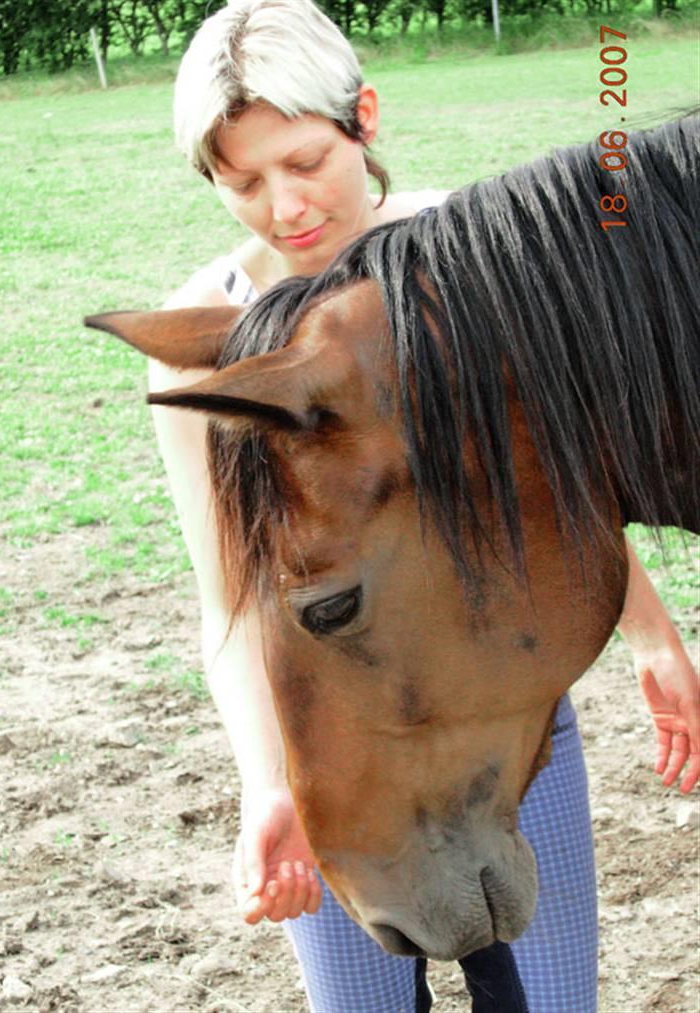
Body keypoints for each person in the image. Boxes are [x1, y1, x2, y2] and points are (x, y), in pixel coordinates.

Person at [149, 2, 700, 1010]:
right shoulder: (214, 362)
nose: (285, 206)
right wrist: (267, 782)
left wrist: (652, 637)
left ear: (363, 117)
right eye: (244, 182)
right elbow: (231, 608)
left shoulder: (472, 270)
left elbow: (553, 476)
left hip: (499, 718)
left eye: (304, 159)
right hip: (337, 738)